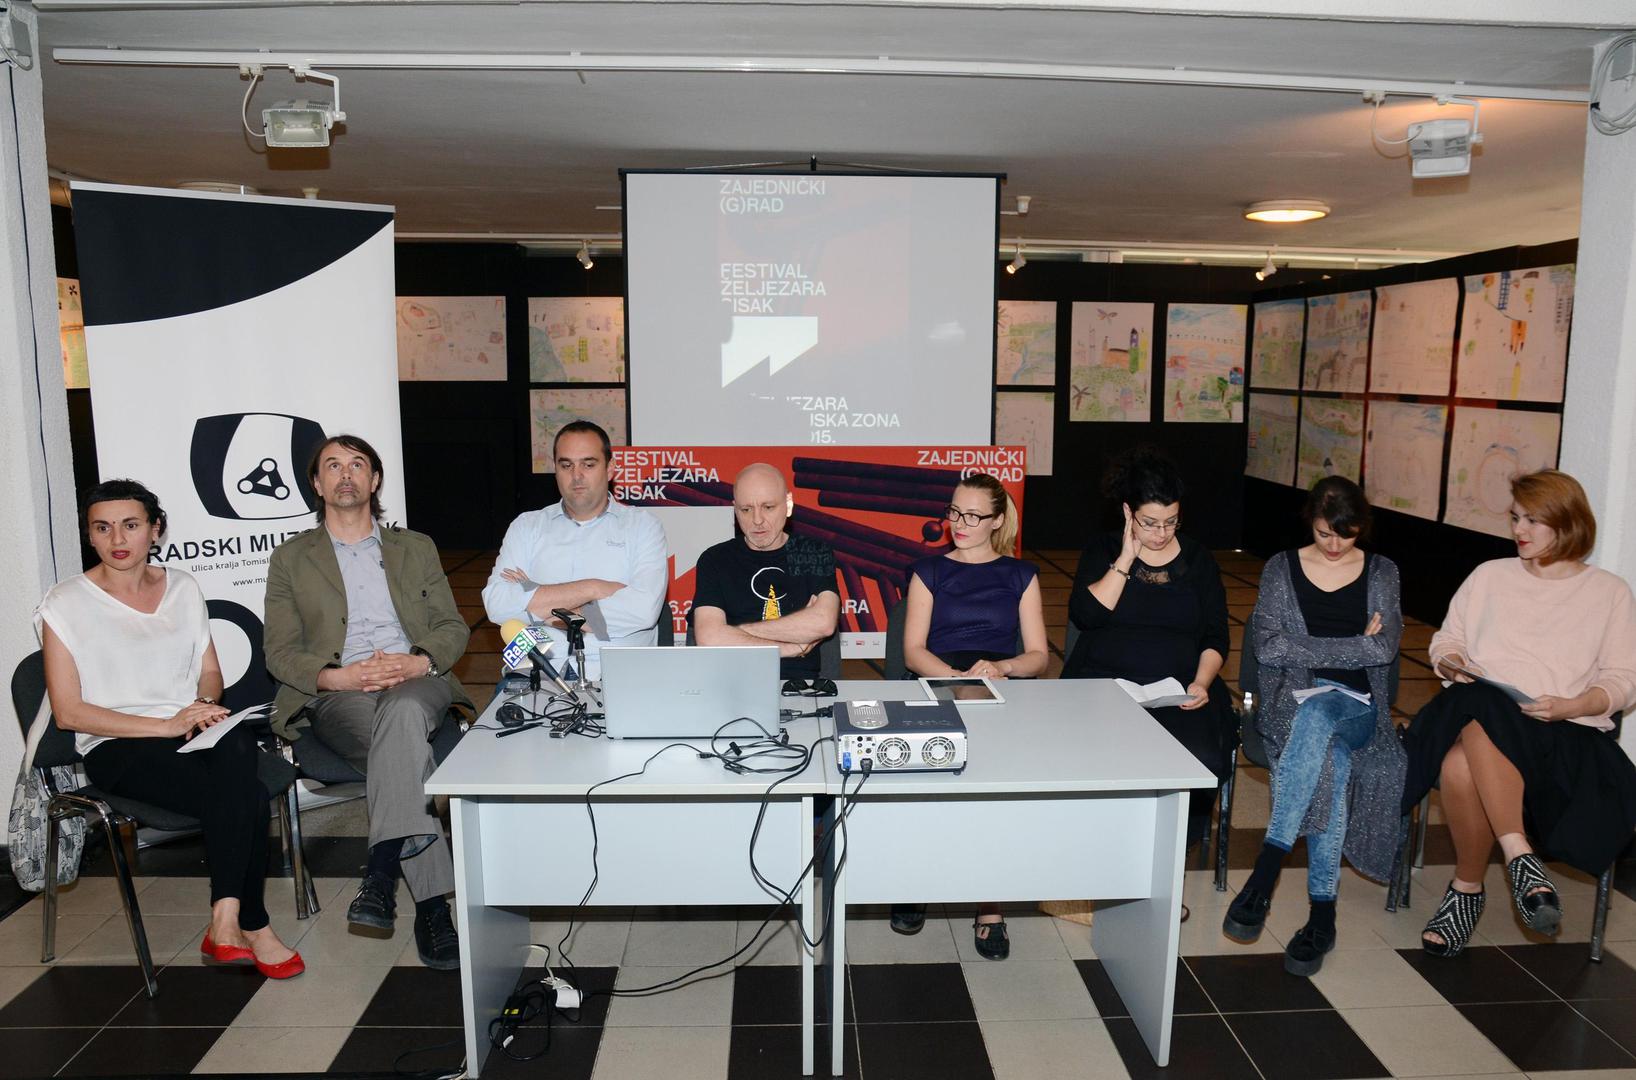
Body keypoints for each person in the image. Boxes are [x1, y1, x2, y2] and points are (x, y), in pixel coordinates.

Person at [35, 480, 303, 979]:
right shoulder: (65, 602)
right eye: (102, 527)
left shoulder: (182, 586)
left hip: (188, 732)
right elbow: (69, 713)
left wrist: (203, 707)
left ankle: (226, 919)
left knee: (236, 742)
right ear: (89, 536)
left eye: (130, 525)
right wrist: (164, 725)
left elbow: (210, 672)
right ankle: (251, 921)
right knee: (244, 794)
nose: (117, 538)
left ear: (155, 530)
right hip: (118, 745)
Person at [1404, 469, 1636, 958]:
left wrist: (1574, 704)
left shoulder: (1609, 591)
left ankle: (1467, 890)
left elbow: (1623, 681)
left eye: (1533, 520)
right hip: (1484, 720)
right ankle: (1518, 858)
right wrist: (1452, 662)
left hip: (1562, 734)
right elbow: (1447, 642)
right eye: (1515, 518)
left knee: (1464, 748)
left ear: (1567, 522)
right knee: (1481, 708)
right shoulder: (1490, 575)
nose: (1519, 530)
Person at [263, 434, 472, 970]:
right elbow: (280, 652)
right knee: (402, 751)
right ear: (317, 484)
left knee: (402, 712)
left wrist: (417, 661)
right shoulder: (291, 558)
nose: (346, 474)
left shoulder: (415, 547)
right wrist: (339, 677)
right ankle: (432, 908)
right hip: (340, 693)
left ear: (375, 480)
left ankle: (381, 871)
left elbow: (452, 627)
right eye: (332, 466)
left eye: (357, 464)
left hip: (414, 681)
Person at [1222, 477, 1404, 976]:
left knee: (1322, 714)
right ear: (1310, 522)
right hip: (1290, 702)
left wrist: (1312, 645)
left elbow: (1383, 649)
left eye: (1346, 534)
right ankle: (1323, 916)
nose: (1335, 544)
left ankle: (1265, 872)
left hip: (1359, 706)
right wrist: (1353, 645)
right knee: (1331, 760)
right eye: (1325, 533)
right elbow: (1268, 648)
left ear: (1362, 526)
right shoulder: (1280, 568)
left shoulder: (1382, 571)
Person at [892, 472, 1049, 959]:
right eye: (955, 512)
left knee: (992, 787)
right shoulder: (928, 571)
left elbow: (1038, 656)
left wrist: (1002, 668)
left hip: (997, 685)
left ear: (997, 520)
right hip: (938, 678)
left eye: (973, 516)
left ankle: (989, 903)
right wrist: (956, 679)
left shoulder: (1021, 575)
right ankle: (917, 881)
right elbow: (914, 651)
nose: (959, 523)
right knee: (936, 777)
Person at [1062, 448, 1234, 868]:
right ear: (1128, 513)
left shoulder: (1198, 559)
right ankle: (1103, 848)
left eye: (1171, 521)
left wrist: (1201, 682)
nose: (1161, 533)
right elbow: (1086, 616)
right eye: (1150, 522)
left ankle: (1165, 857)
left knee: (1202, 757)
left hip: (1178, 688)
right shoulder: (1103, 549)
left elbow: (1216, 635)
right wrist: (1125, 558)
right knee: (1095, 753)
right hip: (1104, 685)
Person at [482, 420, 668, 680]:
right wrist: (594, 588)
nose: (576, 475)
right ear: (556, 469)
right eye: (566, 465)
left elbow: (643, 611)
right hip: (533, 668)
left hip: (617, 673)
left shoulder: (642, 526)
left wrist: (544, 610)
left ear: (610, 469)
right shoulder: (526, 526)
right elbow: (498, 605)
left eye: (588, 464)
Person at [691, 463, 840, 678]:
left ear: (788, 504)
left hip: (799, 686)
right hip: (730, 682)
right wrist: (788, 647)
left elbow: (824, 623)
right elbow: (709, 638)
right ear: (735, 509)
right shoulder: (715, 559)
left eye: (768, 507)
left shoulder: (813, 552)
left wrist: (736, 632)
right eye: (746, 510)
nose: (757, 520)